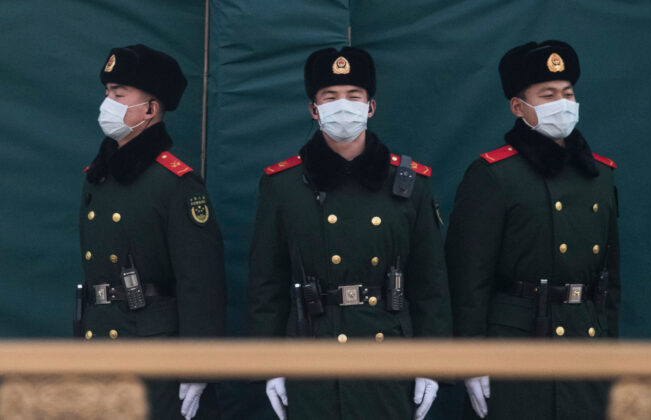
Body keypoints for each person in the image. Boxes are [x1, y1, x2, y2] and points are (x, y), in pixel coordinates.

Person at [247, 46, 452, 420]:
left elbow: (430, 282)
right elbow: (267, 283)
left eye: (354, 96)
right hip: (311, 353)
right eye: (330, 97)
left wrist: (431, 360)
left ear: (370, 107)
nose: (343, 106)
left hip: (387, 352)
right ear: (314, 109)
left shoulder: (408, 183)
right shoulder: (283, 184)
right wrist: (270, 361)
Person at [445, 40, 620, 420]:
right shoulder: (494, 175)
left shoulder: (600, 175)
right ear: (518, 107)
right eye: (547, 94)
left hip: (583, 340)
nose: (562, 102)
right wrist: (471, 359)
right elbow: (467, 278)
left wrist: (608, 348)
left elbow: (610, 280)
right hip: (515, 342)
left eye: (567, 93)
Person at [77, 44, 226, 420]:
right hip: (100, 343)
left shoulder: (175, 182)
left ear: (150, 109)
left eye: (119, 93)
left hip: (152, 348)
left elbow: (201, 280)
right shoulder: (98, 177)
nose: (108, 102)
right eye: (107, 92)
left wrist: (197, 364)